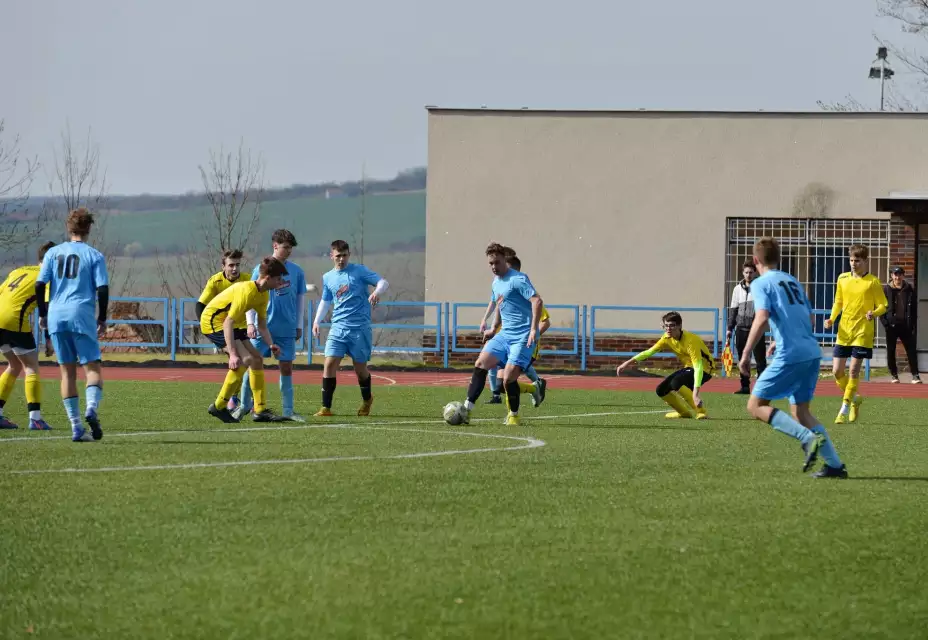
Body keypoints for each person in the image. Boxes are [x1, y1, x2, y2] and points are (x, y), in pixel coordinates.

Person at [739, 236, 847, 478]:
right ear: (778, 258)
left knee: (755, 405)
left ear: (756, 261)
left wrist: (746, 353)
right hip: (811, 352)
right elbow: (808, 318)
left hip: (791, 354)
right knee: (801, 411)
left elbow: (762, 316)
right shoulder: (792, 280)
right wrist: (779, 338)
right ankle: (835, 466)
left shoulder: (761, 283)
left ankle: (806, 438)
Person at [35, 208, 109, 442]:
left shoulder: (53, 253)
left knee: (66, 373)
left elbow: (39, 285)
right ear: (88, 229)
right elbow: (103, 289)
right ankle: (91, 408)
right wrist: (102, 318)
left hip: (56, 315)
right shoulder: (94, 255)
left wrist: (43, 314)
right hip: (81, 314)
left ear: (68, 228)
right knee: (93, 369)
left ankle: (77, 427)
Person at [456, 243, 543, 426]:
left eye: (497, 262)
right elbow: (499, 306)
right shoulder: (496, 283)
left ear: (505, 259)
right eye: (490, 263)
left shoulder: (518, 279)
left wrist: (534, 329)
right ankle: (466, 410)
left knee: (509, 377)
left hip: (522, 336)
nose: (494, 267)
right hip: (504, 335)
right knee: (481, 363)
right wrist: (493, 329)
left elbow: (537, 301)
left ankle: (513, 415)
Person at [201, 257, 289, 424]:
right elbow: (227, 322)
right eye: (279, 279)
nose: (281, 282)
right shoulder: (247, 291)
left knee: (256, 359)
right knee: (244, 360)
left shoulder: (264, 295)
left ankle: (260, 410)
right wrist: (233, 354)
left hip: (230, 323)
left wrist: (271, 344)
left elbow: (262, 326)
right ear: (268, 278)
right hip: (213, 322)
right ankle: (219, 406)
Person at [235, 230, 307, 421]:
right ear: (275, 245)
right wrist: (250, 323)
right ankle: (244, 406)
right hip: (262, 327)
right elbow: (251, 297)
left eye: (291, 248)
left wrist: (299, 325)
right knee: (253, 365)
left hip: (287, 328)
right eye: (285, 247)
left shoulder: (297, 271)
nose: (289, 251)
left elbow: (300, 300)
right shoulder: (261, 269)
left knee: (286, 367)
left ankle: (288, 411)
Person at [312, 240, 389, 417]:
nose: (341, 259)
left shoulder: (359, 271)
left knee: (360, 369)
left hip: (359, 328)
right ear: (331, 256)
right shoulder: (328, 277)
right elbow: (326, 300)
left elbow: (383, 282)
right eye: (338, 256)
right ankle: (326, 408)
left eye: (344, 255)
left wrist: (376, 292)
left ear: (349, 255)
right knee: (329, 363)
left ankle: (367, 399)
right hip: (338, 327)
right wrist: (317, 321)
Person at [824, 244, 887, 424]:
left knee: (853, 371)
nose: (853, 263)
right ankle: (855, 398)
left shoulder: (872, 282)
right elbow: (838, 302)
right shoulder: (842, 278)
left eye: (857, 260)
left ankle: (843, 409)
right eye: (851, 260)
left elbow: (883, 305)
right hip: (844, 331)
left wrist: (873, 313)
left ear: (865, 261)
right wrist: (831, 319)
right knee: (836, 372)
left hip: (863, 332)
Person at [616, 312, 714, 420]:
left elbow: (698, 367)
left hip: (705, 369)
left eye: (672, 325)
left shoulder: (691, 340)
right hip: (689, 368)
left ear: (680, 326)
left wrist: (695, 395)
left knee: (676, 382)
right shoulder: (667, 338)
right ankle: (683, 413)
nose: (668, 329)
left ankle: (701, 412)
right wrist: (628, 362)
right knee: (661, 390)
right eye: (666, 326)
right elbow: (649, 352)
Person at [0, 241, 56, 431]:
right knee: (31, 366)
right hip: (15, 320)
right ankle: (35, 419)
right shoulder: (46, 277)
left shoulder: (19, 271)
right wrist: (49, 339)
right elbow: (46, 309)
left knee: (14, 365)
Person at [483, 255, 549, 408]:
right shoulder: (501, 290)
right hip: (505, 342)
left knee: (508, 379)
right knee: (500, 385)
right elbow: (497, 310)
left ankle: (513, 415)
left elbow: (545, 321)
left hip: (523, 343)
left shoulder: (527, 296)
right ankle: (535, 387)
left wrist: (532, 335)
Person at [727, 259, 767, 394]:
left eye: (751, 272)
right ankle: (745, 386)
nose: (748, 275)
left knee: (760, 360)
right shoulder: (737, 289)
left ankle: (762, 388)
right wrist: (729, 328)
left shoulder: (760, 288)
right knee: (743, 359)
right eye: (746, 272)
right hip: (741, 329)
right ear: (742, 273)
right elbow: (733, 310)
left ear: (755, 273)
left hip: (756, 330)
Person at [881, 266, 920, 384]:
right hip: (891, 326)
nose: (897, 277)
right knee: (891, 351)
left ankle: (915, 375)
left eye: (900, 274)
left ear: (903, 275)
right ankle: (894, 375)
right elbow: (880, 307)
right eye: (895, 274)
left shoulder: (909, 289)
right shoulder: (886, 290)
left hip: (906, 325)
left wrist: (912, 324)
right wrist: (885, 322)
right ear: (891, 276)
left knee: (911, 350)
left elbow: (913, 308)